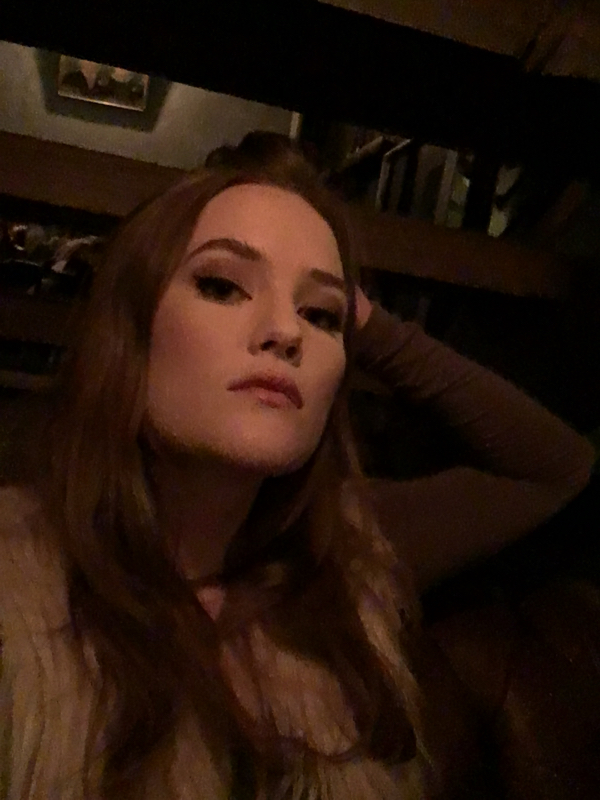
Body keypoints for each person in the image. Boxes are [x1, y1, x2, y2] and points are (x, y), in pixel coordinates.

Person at [0, 133, 594, 800]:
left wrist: (370, 324)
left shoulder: (352, 558)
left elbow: (555, 466)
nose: (286, 331)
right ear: (130, 329)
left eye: (319, 315)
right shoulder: (17, 591)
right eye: (222, 285)